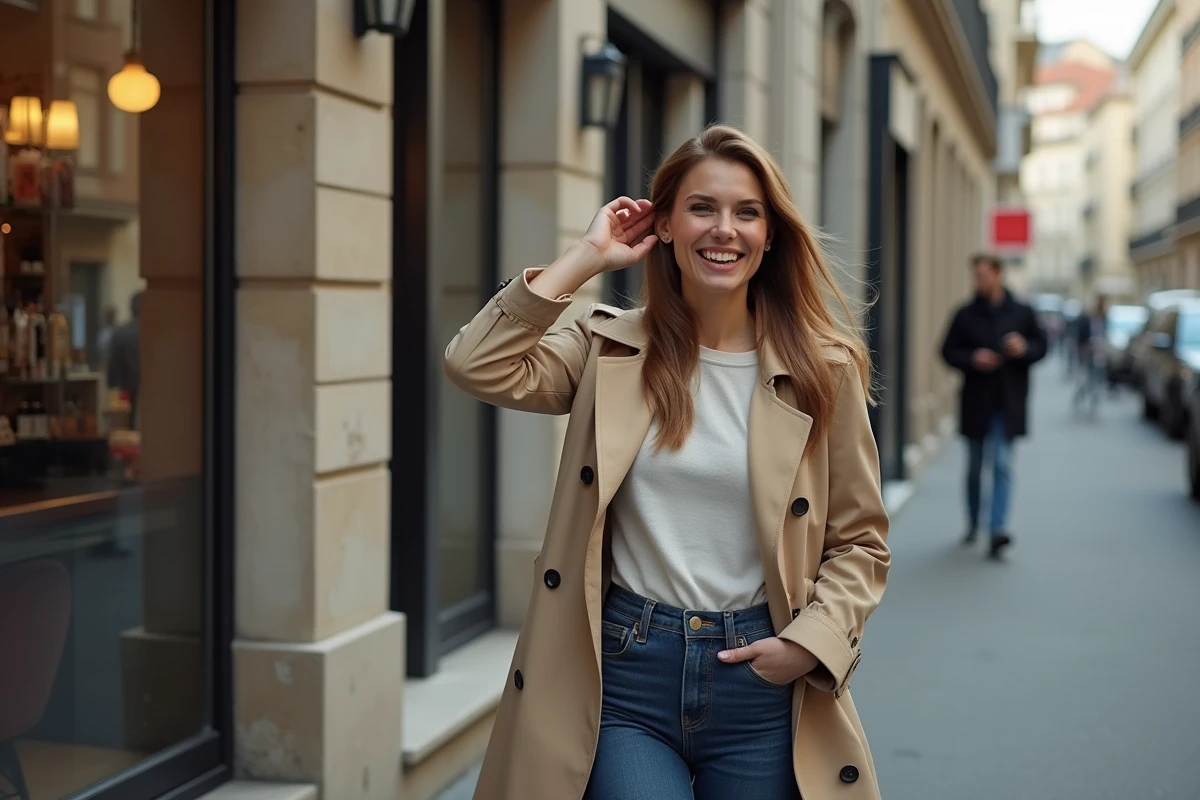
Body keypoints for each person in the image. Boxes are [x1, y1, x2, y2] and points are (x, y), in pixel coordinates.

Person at [445, 125, 890, 800]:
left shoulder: (822, 371)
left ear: (770, 234)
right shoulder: (607, 349)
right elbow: (476, 363)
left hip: (760, 677)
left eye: (747, 212)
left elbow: (860, 540)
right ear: (667, 224)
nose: (725, 230)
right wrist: (587, 256)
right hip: (624, 675)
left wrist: (811, 642)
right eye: (702, 208)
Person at [940, 254, 1048, 559]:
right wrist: (973, 359)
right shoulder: (964, 314)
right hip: (976, 401)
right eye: (976, 276)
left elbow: (1042, 347)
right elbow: (947, 351)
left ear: (998, 275)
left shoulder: (1022, 312)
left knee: (1002, 463)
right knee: (975, 468)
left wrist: (1023, 348)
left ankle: (997, 529)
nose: (979, 282)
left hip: (1008, 402)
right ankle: (974, 521)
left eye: (983, 275)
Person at [106, 291, 142, 428]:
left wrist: (111, 387)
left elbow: (112, 365)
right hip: (152, 394)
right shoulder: (154, 333)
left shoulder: (119, 333)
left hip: (125, 394)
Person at [1071, 297, 1108, 417]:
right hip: (1087, 353)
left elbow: (1105, 335)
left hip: (1099, 354)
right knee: (1087, 380)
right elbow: (1079, 337)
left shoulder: (1104, 320)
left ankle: (1094, 406)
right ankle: (1078, 399)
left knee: (1097, 380)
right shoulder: (1085, 319)